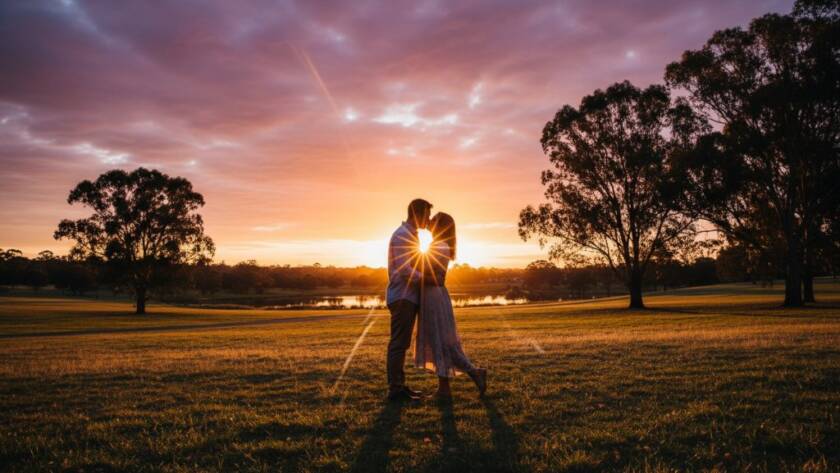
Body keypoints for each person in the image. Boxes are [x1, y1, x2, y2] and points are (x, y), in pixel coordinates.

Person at [414, 212, 487, 401]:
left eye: (434, 219)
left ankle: (469, 375)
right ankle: (448, 387)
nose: (429, 221)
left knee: (441, 342)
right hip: (433, 297)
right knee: (440, 342)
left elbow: (436, 278)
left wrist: (413, 274)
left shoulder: (438, 246)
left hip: (434, 298)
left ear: (440, 226)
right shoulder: (439, 245)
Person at [385, 198, 432, 401]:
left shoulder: (410, 235)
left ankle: (400, 386)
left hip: (407, 296)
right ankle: (395, 389)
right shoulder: (403, 235)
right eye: (427, 215)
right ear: (418, 214)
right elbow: (405, 270)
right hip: (402, 296)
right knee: (398, 343)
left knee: (402, 343)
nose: (428, 220)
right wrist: (427, 279)